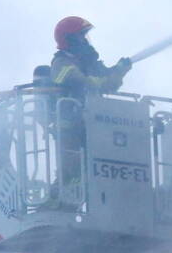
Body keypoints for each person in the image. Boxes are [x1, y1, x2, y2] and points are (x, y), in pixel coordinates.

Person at [49, 16, 132, 199]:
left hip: (89, 122)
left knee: (92, 167)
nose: (85, 41)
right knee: (71, 169)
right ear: (70, 39)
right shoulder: (61, 64)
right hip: (69, 126)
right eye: (81, 36)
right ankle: (56, 201)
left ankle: (80, 199)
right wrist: (112, 76)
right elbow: (89, 83)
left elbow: (108, 79)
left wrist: (120, 69)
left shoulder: (85, 63)